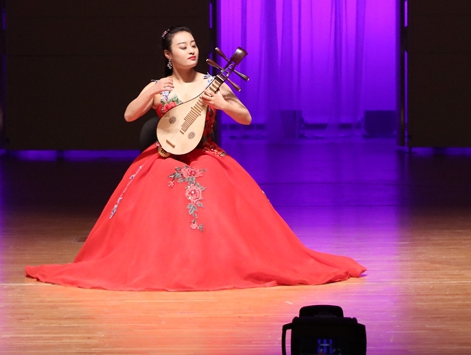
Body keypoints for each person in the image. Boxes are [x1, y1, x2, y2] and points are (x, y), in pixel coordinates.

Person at [24, 27, 364, 290]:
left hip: (204, 152)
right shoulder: (159, 85)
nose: (191, 50)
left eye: (194, 45)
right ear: (167, 54)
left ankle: (215, 262)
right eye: (183, 46)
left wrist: (223, 105)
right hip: (164, 154)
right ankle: (158, 261)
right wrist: (148, 93)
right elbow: (129, 116)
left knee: (211, 187)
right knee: (158, 186)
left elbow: (246, 118)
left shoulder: (213, 83)